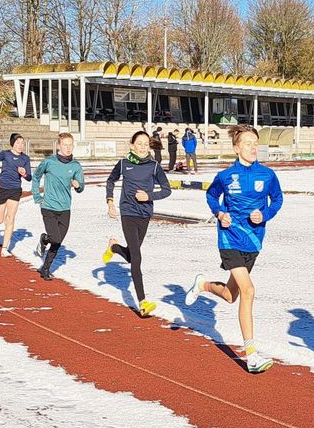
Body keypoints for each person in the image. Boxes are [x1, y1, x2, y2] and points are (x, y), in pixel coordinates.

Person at [184, 124, 283, 374]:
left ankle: (203, 285)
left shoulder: (268, 175)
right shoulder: (225, 176)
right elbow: (211, 196)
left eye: (255, 143)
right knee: (248, 290)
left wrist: (266, 214)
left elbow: (277, 200)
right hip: (229, 239)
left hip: (253, 240)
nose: (253, 148)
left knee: (231, 295)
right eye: (248, 143)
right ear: (236, 148)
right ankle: (251, 355)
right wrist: (220, 213)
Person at [103, 131, 173, 317]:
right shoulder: (123, 164)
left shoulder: (154, 166)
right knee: (137, 257)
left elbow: (167, 190)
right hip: (127, 212)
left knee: (132, 256)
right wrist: (110, 201)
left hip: (145, 214)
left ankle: (115, 247)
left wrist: (149, 196)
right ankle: (143, 302)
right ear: (132, 145)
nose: (142, 147)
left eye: (145, 144)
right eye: (139, 143)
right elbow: (110, 181)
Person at [31, 132, 84, 281]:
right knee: (55, 238)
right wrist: (37, 196)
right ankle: (45, 239)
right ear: (58, 146)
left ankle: (45, 268)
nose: (68, 148)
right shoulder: (49, 162)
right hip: (48, 206)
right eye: (65, 145)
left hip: (65, 208)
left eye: (70, 145)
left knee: (58, 241)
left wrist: (78, 185)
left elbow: (81, 187)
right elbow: (36, 177)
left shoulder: (76, 166)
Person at [0, 133, 32, 257]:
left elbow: (29, 178)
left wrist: (24, 174)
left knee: (10, 219)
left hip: (15, 190)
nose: (20, 145)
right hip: (2, 188)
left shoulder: (25, 158)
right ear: (12, 143)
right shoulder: (5, 154)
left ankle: (4, 248)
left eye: (22, 143)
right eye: (18, 143)